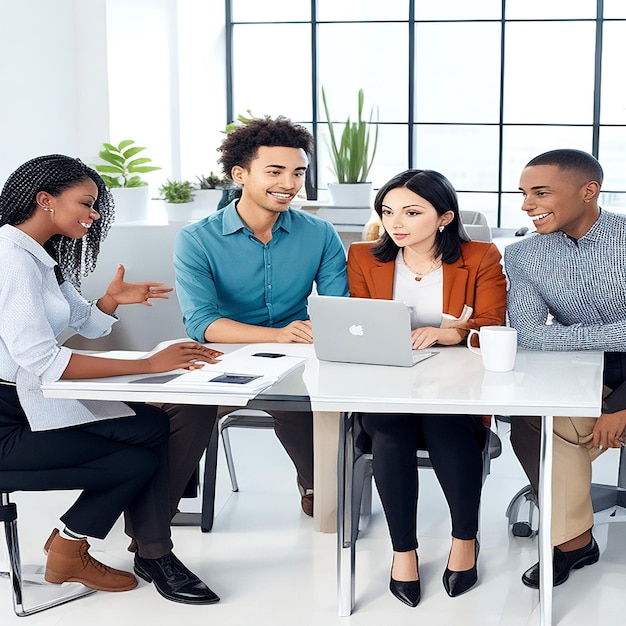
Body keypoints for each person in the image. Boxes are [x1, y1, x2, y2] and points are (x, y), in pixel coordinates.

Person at [0, 154, 223, 604]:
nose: (95, 214)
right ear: (45, 200)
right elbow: (43, 359)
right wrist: (148, 365)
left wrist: (110, 301)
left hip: (28, 398)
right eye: (86, 202)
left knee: (150, 425)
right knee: (135, 459)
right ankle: (79, 550)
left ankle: (139, 546)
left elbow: (81, 321)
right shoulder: (11, 260)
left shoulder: (39, 255)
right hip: (9, 415)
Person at [165, 116, 349, 517]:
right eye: (275, 171)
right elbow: (202, 324)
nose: (289, 183)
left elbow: (339, 308)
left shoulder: (319, 234)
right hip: (221, 356)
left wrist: (310, 333)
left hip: (295, 359)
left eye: (298, 172)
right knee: (174, 414)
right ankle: (158, 515)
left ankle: (318, 485)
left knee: (305, 405)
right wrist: (277, 335)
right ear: (240, 174)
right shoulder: (196, 239)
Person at [347, 169, 506, 606]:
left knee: (446, 426)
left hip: (454, 384)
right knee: (391, 434)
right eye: (387, 211)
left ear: (444, 217)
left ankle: (464, 541)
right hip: (387, 382)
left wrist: (452, 333)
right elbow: (358, 323)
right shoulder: (364, 256)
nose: (395, 223)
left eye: (411, 212)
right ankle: (403, 551)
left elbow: (492, 321)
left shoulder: (480, 255)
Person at [505, 148, 626, 589]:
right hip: (586, 377)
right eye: (524, 194)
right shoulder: (523, 256)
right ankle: (574, 542)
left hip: (616, 388)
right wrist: (620, 333)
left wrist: (621, 407)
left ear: (589, 191)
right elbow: (530, 334)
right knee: (531, 421)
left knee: (565, 433)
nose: (526, 205)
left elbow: (546, 334)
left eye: (540, 193)